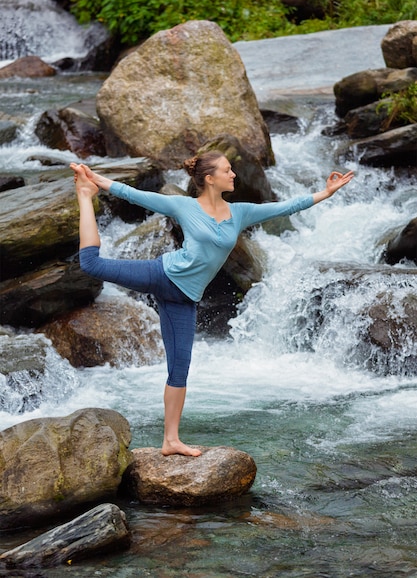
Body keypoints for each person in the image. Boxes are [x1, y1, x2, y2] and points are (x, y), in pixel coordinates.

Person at [70, 152, 354, 457]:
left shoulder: (240, 213)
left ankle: (171, 440)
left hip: (185, 298)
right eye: (227, 170)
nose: (233, 175)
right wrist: (93, 180)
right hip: (162, 275)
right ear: (209, 178)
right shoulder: (184, 206)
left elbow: (284, 207)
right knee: (91, 264)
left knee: (179, 370)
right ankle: (85, 197)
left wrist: (325, 192)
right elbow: (134, 194)